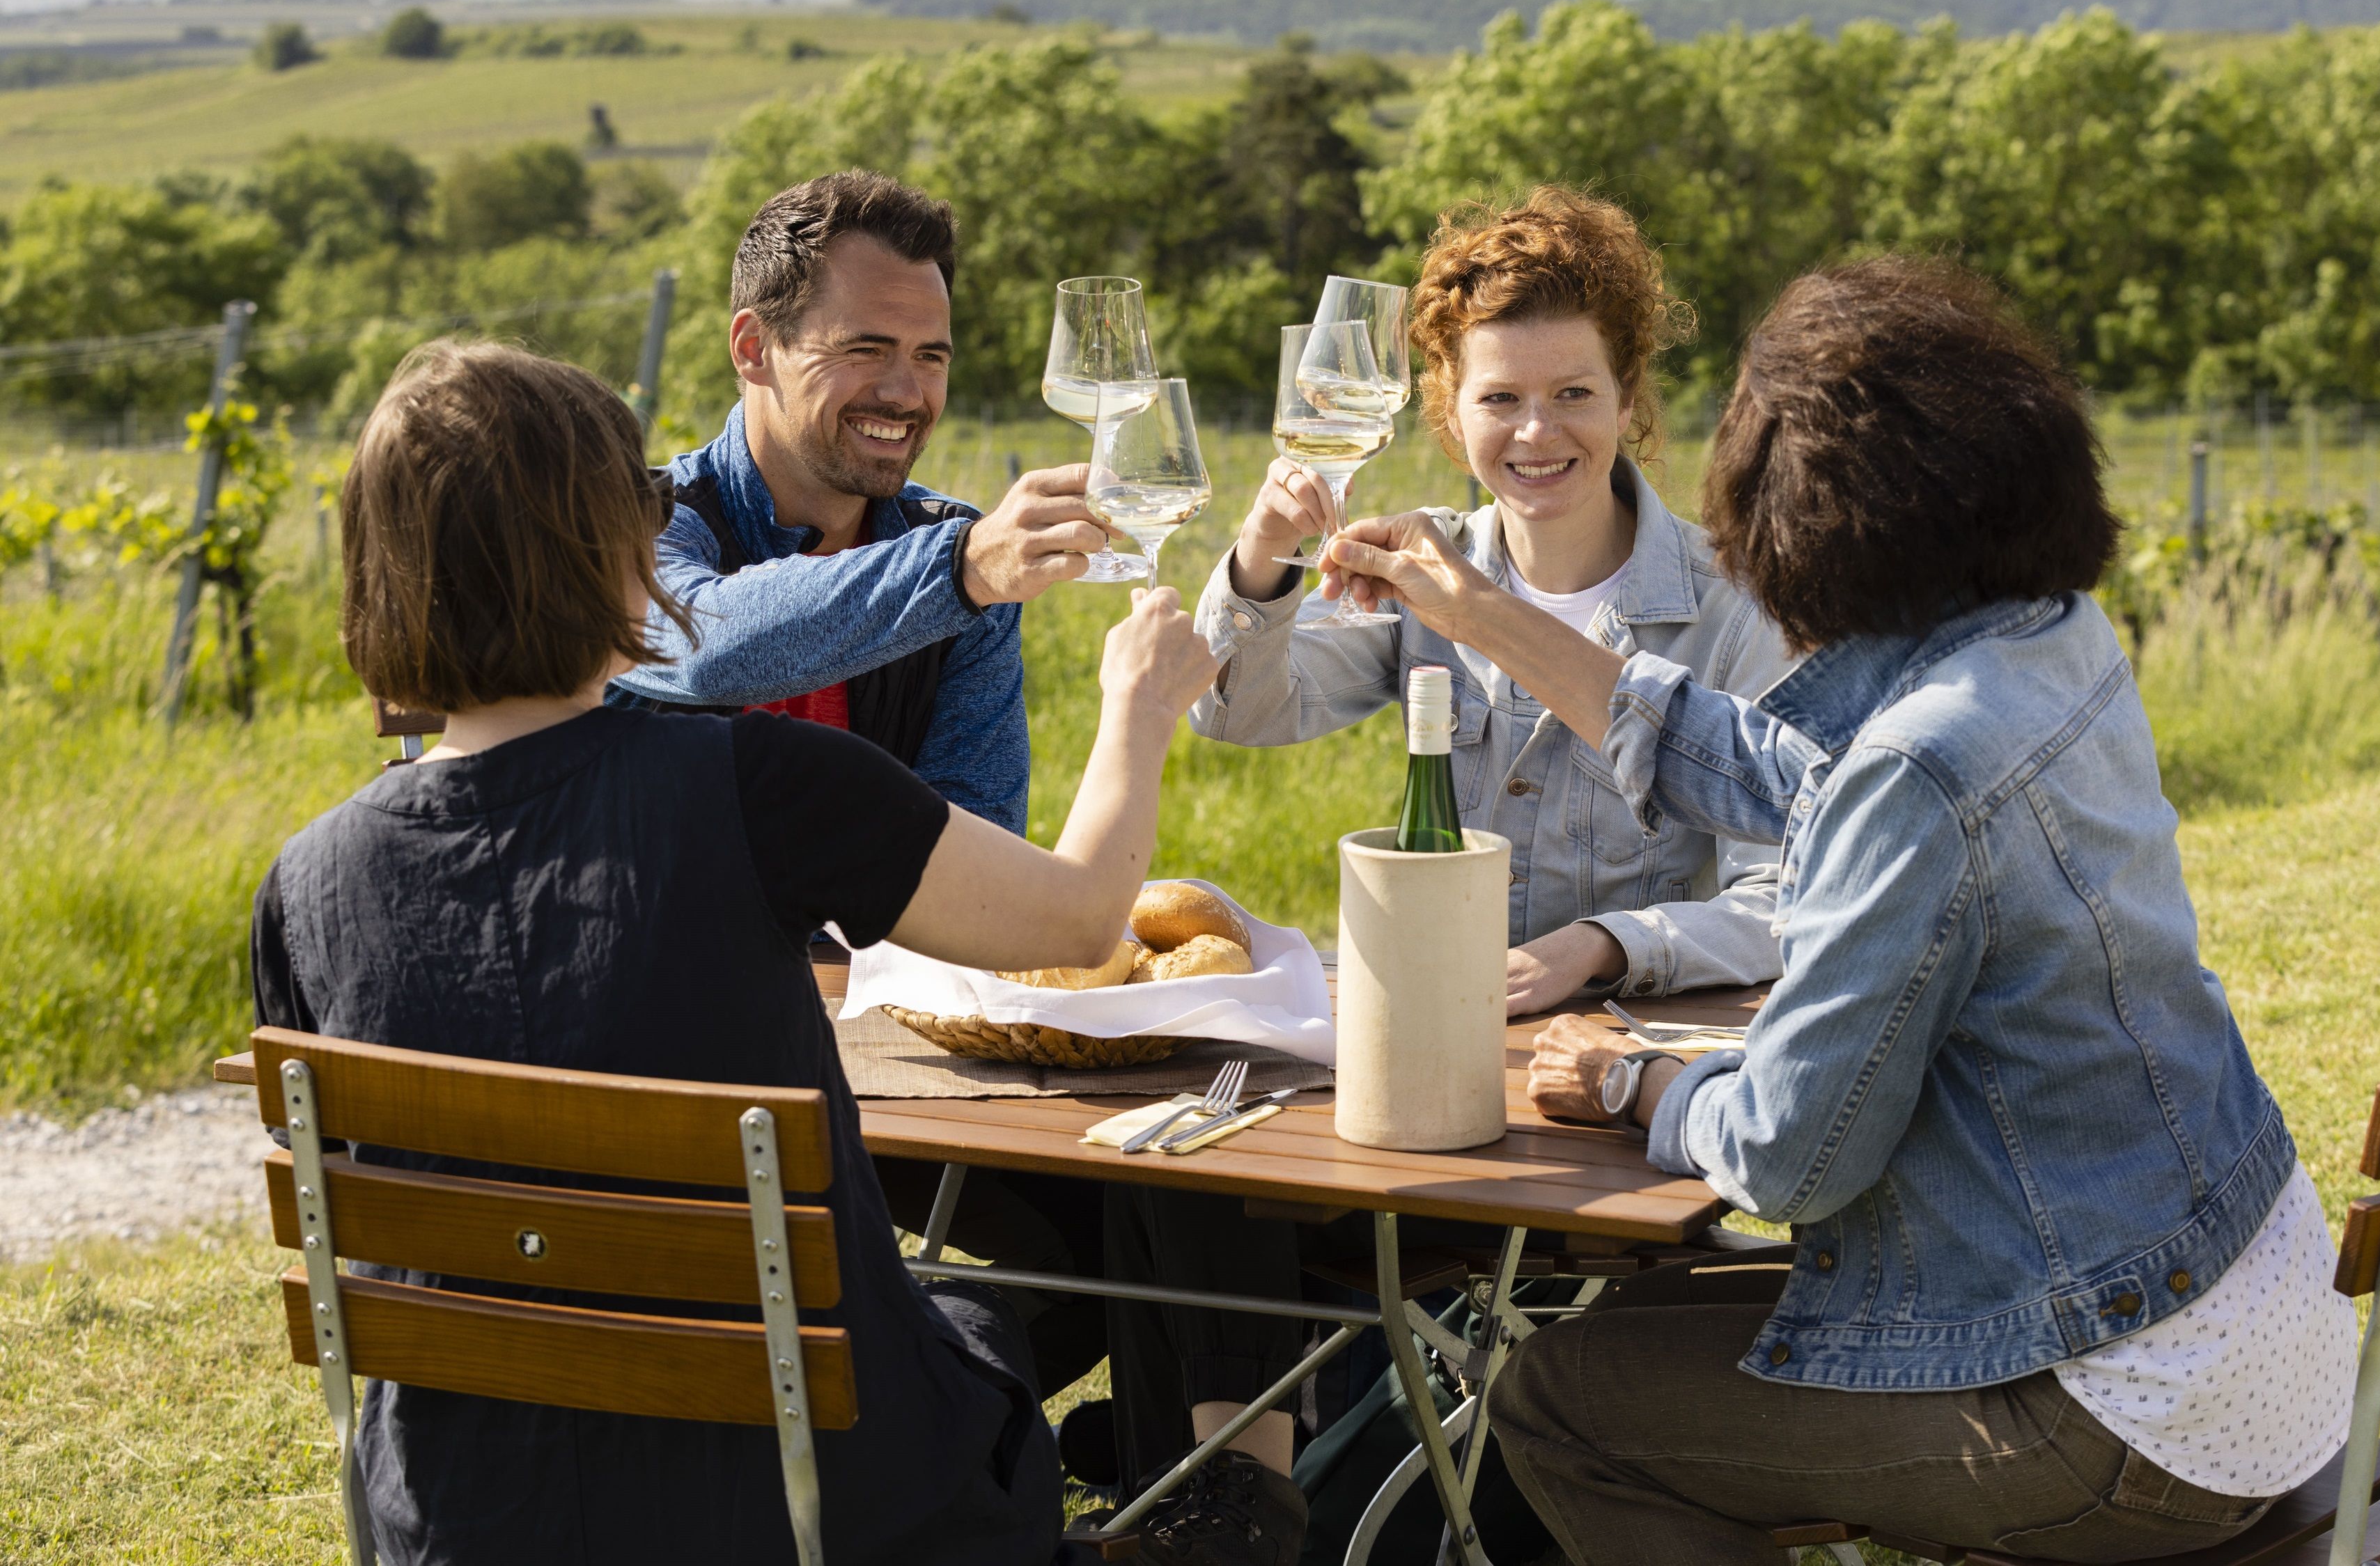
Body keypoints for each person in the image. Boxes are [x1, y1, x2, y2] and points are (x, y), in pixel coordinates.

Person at [1322, 258, 2361, 1566]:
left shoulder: (1922, 770)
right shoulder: (2047, 640)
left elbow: (1794, 1158)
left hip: (2121, 1417)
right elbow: (1779, 772)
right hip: (2258, 1335)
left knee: (1563, 1398)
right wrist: (1484, 612)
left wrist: (1638, 1083)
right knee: (1651, 1327)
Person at [253, 340, 1222, 1566]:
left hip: (456, 1516)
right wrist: (1138, 708)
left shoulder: (305, 880)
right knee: (977, 1330)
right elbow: (1080, 919)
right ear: (614, 550)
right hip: (806, 1505)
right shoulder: (757, 785)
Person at [1084, 189, 1794, 1562]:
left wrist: (1600, 945)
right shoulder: (1418, 568)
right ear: (1444, 410)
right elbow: (1244, 706)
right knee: (1192, 1126)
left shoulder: (1726, 604)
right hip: (1419, 1045)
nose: (1537, 433)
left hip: (1597, 1064)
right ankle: (1235, 1492)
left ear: (1631, 398)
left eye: (1573, 392)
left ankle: (1296, 1467)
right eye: (1500, 399)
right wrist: (1263, 559)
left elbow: (1785, 886)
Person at [607, 169, 1117, 1394]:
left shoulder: (955, 566)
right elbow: (707, 640)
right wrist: (964, 571)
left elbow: (976, 842)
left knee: (1156, 1209)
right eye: (868, 348)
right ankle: (892, 1426)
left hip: (880, 1060)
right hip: (683, 1070)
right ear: (755, 347)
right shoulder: (642, 519)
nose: (909, 392)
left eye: (932, 355)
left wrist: (966, 577)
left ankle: (1209, 1496)